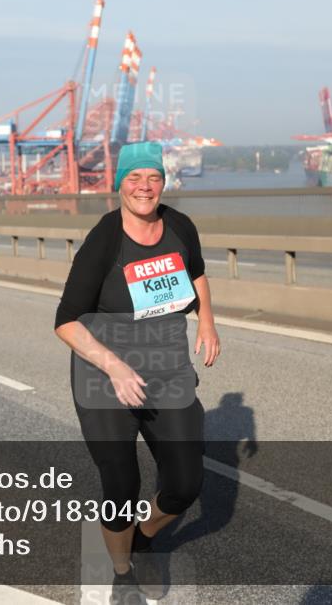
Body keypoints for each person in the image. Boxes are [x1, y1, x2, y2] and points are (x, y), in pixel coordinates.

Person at [54, 142, 221, 603]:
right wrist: (114, 365)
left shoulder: (180, 225)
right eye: (134, 179)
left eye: (153, 178)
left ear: (163, 182)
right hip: (106, 378)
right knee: (122, 484)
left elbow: (198, 273)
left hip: (167, 371)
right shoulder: (104, 241)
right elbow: (65, 321)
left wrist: (206, 318)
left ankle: (143, 536)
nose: (145, 187)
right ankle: (124, 568)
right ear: (119, 185)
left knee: (186, 483)